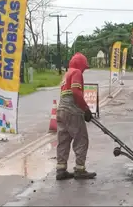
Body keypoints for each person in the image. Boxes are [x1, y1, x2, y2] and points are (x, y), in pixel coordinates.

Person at [56, 52, 96, 180]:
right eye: (84, 67)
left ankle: (61, 170)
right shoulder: (76, 73)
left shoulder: (66, 74)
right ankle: (80, 169)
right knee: (81, 139)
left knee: (63, 141)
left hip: (61, 110)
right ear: (81, 65)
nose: (84, 71)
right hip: (72, 110)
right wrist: (86, 109)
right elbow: (76, 92)